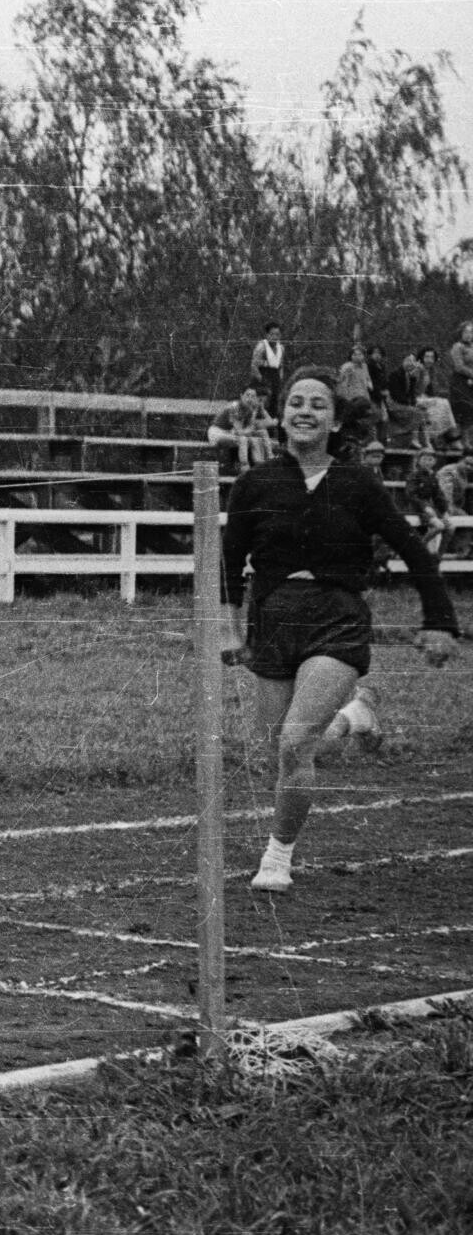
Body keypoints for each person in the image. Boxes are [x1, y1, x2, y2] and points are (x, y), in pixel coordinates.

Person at [221, 367, 456, 894]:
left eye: (318, 405)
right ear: (281, 416)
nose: (305, 412)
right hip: (273, 621)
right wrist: (227, 631)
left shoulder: (357, 483)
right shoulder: (254, 483)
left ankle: (277, 857)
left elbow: (413, 549)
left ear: (334, 421)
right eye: (296, 403)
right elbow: (230, 562)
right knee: (286, 744)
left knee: (293, 743)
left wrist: (440, 620)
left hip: (337, 619)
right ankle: (356, 716)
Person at [206, 387, 274, 472]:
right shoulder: (234, 407)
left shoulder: (250, 408)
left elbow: (271, 423)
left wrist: (258, 410)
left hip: (231, 433)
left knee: (257, 438)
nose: (250, 399)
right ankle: (245, 469)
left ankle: (262, 466)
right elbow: (240, 432)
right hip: (218, 432)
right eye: (247, 395)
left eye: (253, 396)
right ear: (241, 396)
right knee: (243, 439)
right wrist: (255, 424)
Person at [250, 322, 285, 395]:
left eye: (277, 334)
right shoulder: (261, 347)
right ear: (266, 335)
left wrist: (280, 378)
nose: (275, 337)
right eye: (272, 334)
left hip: (275, 378)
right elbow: (254, 366)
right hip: (263, 376)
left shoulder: (281, 348)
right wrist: (262, 380)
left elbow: (281, 365)